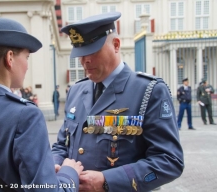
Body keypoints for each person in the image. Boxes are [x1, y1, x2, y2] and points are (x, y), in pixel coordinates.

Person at [51, 12, 184, 192]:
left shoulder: (148, 91)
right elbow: (61, 144)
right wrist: (55, 164)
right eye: (81, 53)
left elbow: (170, 161)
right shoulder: (76, 90)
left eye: (93, 51)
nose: (85, 60)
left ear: (116, 45)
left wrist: (107, 181)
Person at [0, 17, 83, 192]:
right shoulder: (26, 116)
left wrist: (46, 172)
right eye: (26, 57)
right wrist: (69, 173)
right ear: (10, 57)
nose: (27, 65)